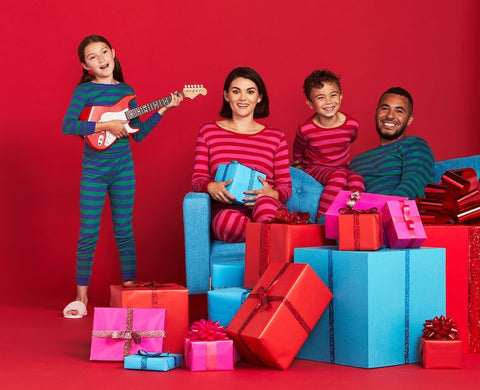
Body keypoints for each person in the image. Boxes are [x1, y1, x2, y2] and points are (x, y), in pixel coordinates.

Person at [62, 35, 183, 318]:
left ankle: (129, 289)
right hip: (93, 171)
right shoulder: (84, 91)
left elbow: (137, 135)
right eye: (93, 57)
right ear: (85, 65)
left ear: (114, 53)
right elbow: (68, 125)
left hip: (123, 169)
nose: (101, 59)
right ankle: (81, 298)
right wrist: (106, 123)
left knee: (124, 230)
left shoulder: (128, 91)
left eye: (104, 52)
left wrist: (163, 109)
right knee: (88, 232)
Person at [192, 67, 292, 243]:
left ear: (259, 97)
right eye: (236, 91)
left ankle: (266, 237)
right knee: (226, 222)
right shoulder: (208, 132)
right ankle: (270, 239)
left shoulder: (276, 138)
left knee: (266, 206)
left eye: (250, 92)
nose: (243, 98)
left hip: (264, 207)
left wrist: (272, 194)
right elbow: (198, 179)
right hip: (227, 211)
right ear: (226, 96)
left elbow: (285, 187)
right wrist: (210, 187)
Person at [292, 69, 364, 221]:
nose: (329, 101)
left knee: (357, 179)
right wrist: (299, 165)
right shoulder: (306, 129)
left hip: (342, 169)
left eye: (333, 95)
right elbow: (298, 151)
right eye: (320, 97)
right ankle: (323, 221)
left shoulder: (351, 125)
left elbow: (350, 139)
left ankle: (351, 217)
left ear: (341, 96)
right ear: (310, 103)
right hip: (314, 168)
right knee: (338, 177)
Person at [350, 87, 434, 198]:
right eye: (385, 108)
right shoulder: (356, 162)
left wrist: (383, 212)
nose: (390, 115)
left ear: (409, 119)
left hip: (394, 213)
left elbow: (413, 185)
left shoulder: (415, 145)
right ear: (376, 113)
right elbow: (343, 200)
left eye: (399, 111)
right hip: (358, 213)